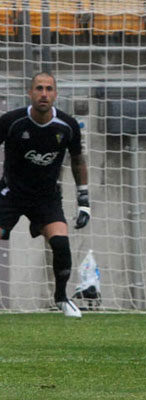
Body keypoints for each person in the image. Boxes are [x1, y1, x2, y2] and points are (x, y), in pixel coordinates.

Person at [0, 72, 91, 318]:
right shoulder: (11, 121)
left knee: (61, 243)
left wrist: (84, 201)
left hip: (46, 198)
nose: (44, 94)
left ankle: (62, 298)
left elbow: (78, 160)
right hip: (10, 194)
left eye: (49, 89)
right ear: (30, 93)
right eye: (39, 88)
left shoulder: (68, 125)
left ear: (55, 94)